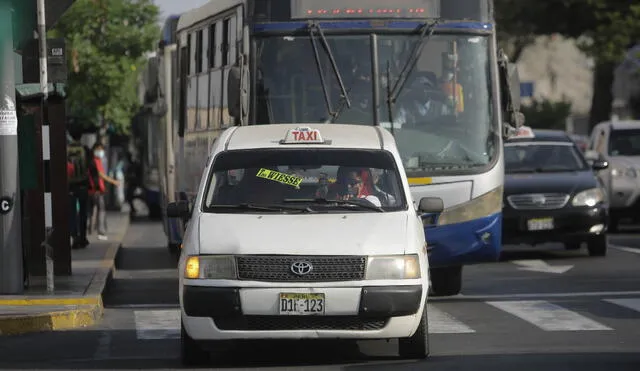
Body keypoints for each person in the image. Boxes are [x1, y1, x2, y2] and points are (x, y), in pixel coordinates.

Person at [87, 142, 120, 241]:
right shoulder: (96, 161)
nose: (101, 151)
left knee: (92, 211)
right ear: (95, 150)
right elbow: (101, 175)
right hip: (96, 190)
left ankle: (90, 230)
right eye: (99, 149)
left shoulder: (91, 161)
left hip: (91, 189)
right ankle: (100, 231)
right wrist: (113, 181)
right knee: (101, 210)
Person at [66, 130, 91, 249]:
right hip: (83, 185)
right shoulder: (85, 149)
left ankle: (74, 237)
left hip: (70, 185)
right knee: (83, 213)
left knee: (71, 213)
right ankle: (83, 237)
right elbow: (90, 167)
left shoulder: (66, 149)